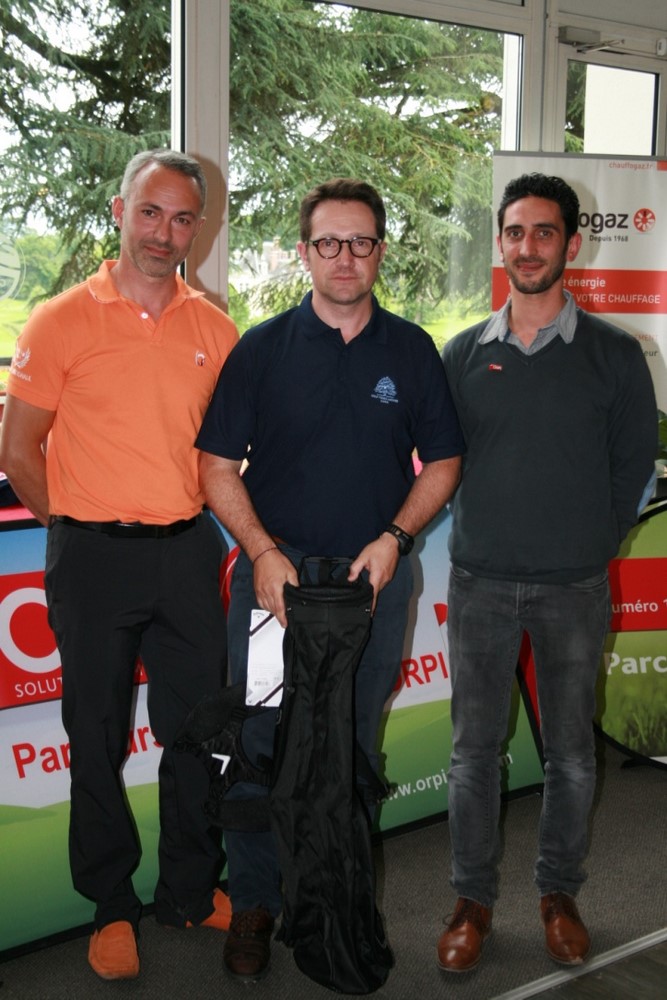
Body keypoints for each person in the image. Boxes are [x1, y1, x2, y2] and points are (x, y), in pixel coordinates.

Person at [196, 177, 464, 981]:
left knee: (347, 744)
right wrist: (260, 552)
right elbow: (215, 467)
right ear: (304, 251)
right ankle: (254, 902)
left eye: (360, 242)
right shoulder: (261, 348)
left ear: (379, 250)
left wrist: (394, 539)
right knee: (259, 744)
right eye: (328, 242)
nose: (344, 257)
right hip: (275, 589)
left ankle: (337, 900)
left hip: (370, 589)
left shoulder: (410, 349)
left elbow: (443, 461)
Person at [0, 149, 239, 980]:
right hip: (93, 557)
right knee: (96, 736)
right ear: (119, 211)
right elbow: (18, 450)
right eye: (150, 212)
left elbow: (228, 453)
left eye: (182, 219)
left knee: (199, 731)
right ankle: (109, 906)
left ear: (198, 228)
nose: (163, 233)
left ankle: (188, 889)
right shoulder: (60, 320)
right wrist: (75, 527)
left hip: (187, 552)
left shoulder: (215, 328)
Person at [438, 173, 657, 973]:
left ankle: (558, 894)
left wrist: (590, 541)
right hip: (479, 583)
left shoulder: (615, 354)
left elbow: (633, 468)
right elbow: (440, 461)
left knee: (569, 752)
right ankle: (470, 901)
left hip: (573, 586)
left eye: (542, 232)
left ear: (571, 243)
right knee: (472, 753)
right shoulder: (461, 353)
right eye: (514, 232)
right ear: (499, 243)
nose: (526, 247)